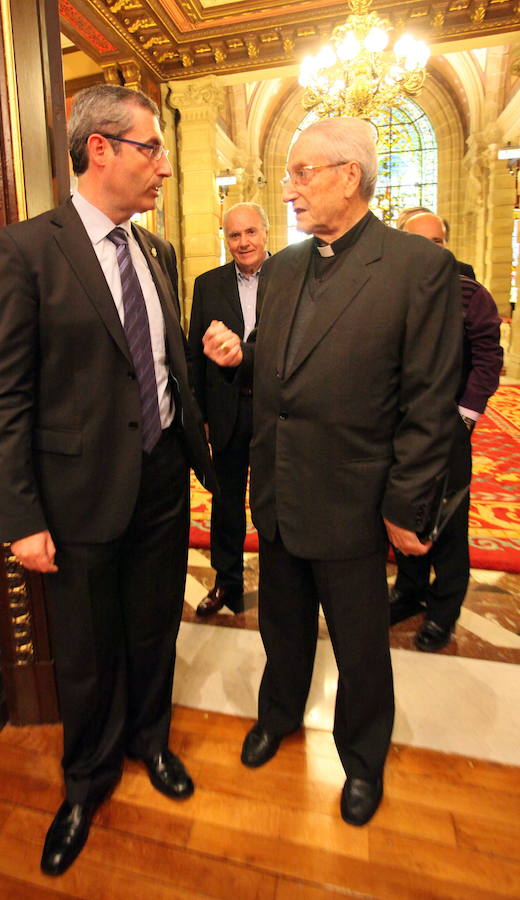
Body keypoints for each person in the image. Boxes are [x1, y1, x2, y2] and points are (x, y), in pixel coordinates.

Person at [0, 84, 216, 876]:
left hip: (161, 476)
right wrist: (20, 516)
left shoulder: (157, 252)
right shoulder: (26, 250)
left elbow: (162, 362)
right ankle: (85, 781)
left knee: (154, 627)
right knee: (85, 649)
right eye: (153, 149)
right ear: (101, 149)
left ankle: (152, 741)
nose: (164, 168)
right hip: (76, 494)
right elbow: (3, 395)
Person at [202, 117, 462, 827]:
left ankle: (363, 755)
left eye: (302, 173)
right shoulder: (285, 267)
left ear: (350, 176)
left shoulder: (415, 267)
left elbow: (429, 402)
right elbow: (283, 364)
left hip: (354, 498)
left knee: (359, 646)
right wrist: (242, 358)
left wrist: (406, 505)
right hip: (279, 489)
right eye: (288, 175)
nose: (289, 190)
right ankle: (278, 715)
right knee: (281, 627)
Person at [390, 211, 503, 650]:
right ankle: (409, 590)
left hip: (449, 426)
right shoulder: (390, 290)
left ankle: (444, 609)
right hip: (398, 424)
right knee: (403, 509)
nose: (428, 249)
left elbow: (488, 360)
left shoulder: (471, 294)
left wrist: (465, 417)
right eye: (419, 241)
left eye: (436, 241)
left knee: (448, 519)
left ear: (445, 244)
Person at [188, 202, 269, 616]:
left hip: (275, 413)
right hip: (226, 412)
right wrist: (200, 414)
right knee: (226, 501)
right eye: (234, 234)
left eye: (250, 232)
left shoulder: (291, 278)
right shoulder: (208, 285)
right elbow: (194, 357)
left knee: (274, 501)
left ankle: (281, 584)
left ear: (265, 233)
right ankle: (227, 582)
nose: (243, 242)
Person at [397, 207, 476, 278]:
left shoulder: (462, 273)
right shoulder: (393, 273)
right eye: (419, 240)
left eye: (436, 241)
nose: (428, 246)